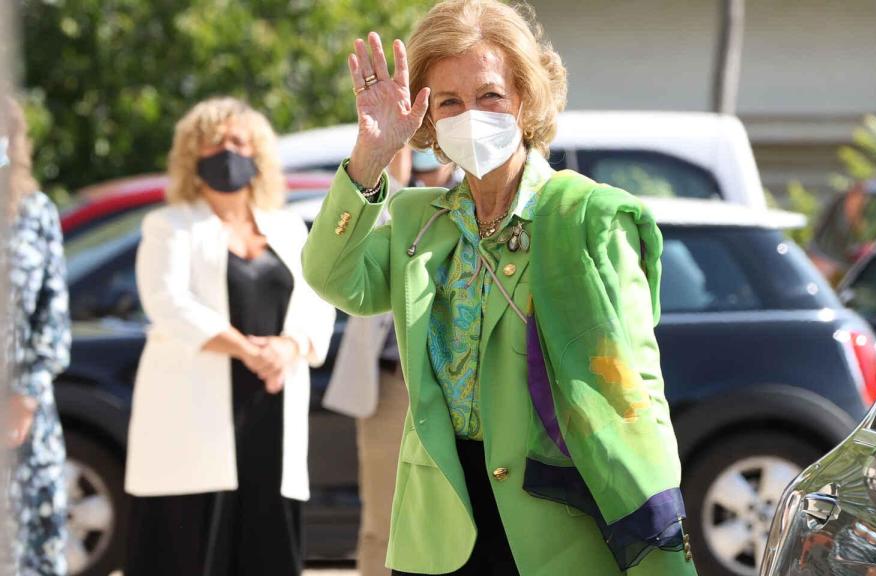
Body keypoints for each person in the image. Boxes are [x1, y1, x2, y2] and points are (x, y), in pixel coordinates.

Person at [302, 1, 698, 574]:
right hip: (439, 525)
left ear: (525, 98)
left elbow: (631, 392)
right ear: (429, 119)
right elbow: (330, 277)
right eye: (450, 102)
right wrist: (372, 155)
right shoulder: (419, 222)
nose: (471, 116)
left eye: (489, 95)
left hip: (553, 522)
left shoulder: (588, 218)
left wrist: (660, 538)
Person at [123, 97, 335, 576]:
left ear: (258, 154)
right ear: (191, 157)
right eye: (214, 142)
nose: (228, 151)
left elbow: (319, 296)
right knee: (192, 552)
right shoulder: (168, 226)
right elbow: (167, 302)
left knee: (267, 547)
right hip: (194, 419)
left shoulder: (287, 228)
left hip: (272, 410)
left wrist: (288, 346)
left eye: (238, 141)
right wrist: (247, 349)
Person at [321, 146, 412, 576]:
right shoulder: (392, 201)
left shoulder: (475, 199)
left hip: (462, 382)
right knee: (382, 520)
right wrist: (394, 170)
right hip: (392, 387)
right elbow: (345, 253)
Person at [3, 97, 71, 576]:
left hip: (20, 412)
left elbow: (53, 309)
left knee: (32, 547)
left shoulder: (33, 212)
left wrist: (25, 393)